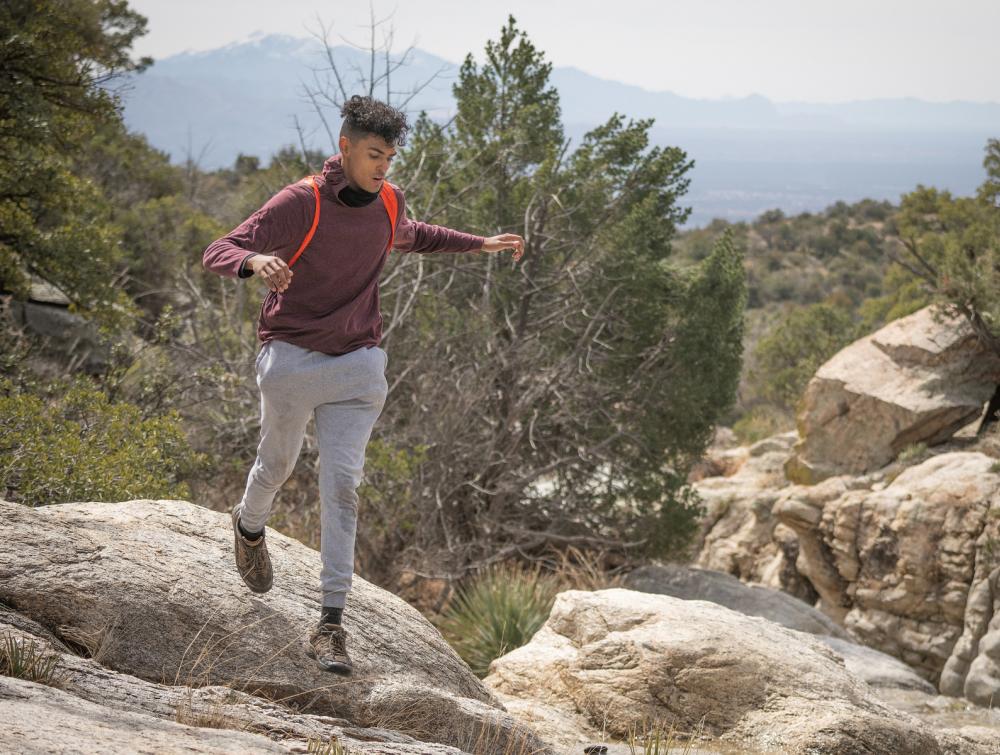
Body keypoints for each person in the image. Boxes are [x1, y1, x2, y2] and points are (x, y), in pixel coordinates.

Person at [202, 95, 525, 675]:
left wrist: (481, 243)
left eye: (391, 157)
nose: (384, 167)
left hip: (358, 363)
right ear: (345, 147)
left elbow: (413, 234)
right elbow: (219, 249)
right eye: (375, 155)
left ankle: (331, 624)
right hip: (293, 359)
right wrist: (255, 264)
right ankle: (249, 526)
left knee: (343, 486)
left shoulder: (388, 200)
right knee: (276, 465)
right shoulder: (301, 202)